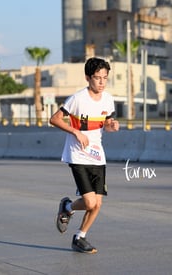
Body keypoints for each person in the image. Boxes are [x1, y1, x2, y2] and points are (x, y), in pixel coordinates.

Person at [49, 57, 120, 254]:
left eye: (105, 78)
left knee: (97, 203)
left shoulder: (108, 98)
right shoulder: (78, 98)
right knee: (89, 202)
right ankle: (68, 206)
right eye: (97, 78)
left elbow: (106, 122)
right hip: (78, 155)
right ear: (88, 78)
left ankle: (80, 236)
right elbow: (54, 119)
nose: (102, 82)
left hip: (98, 156)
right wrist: (76, 132)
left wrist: (112, 125)